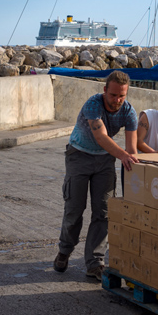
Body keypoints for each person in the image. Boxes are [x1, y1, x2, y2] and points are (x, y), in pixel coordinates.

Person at [53, 70, 139, 280]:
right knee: (74, 209)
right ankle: (65, 250)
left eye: (122, 96)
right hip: (79, 156)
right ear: (105, 91)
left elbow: (132, 149)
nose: (117, 100)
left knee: (104, 212)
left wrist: (134, 163)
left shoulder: (129, 112)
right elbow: (100, 137)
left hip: (105, 161)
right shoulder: (93, 104)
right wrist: (124, 156)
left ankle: (95, 262)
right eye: (113, 95)